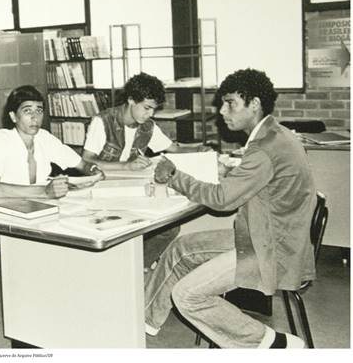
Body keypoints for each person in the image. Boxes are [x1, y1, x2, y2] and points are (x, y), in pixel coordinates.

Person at [145, 68, 316, 348]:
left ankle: (272, 344)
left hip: (271, 251)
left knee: (187, 296)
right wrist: (229, 172)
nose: (223, 111)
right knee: (181, 248)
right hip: (265, 236)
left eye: (231, 103)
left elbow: (222, 200)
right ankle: (143, 322)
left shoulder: (264, 147)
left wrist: (176, 176)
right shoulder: (275, 134)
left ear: (255, 104)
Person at [82, 72, 211, 269]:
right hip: (101, 191)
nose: (150, 114)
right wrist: (126, 166)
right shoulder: (103, 121)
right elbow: (86, 161)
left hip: (130, 190)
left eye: (153, 109)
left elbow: (174, 149)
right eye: (146, 108)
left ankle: (137, 267)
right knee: (141, 228)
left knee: (169, 227)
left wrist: (200, 149)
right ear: (131, 99)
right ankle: (129, 270)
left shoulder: (147, 126)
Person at [0, 85, 99, 201]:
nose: (35, 117)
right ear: (13, 117)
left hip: (40, 206)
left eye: (39, 111)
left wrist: (94, 170)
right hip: (6, 208)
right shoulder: (2, 139)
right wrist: (44, 192)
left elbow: (82, 165)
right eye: (27, 111)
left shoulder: (43, 137)